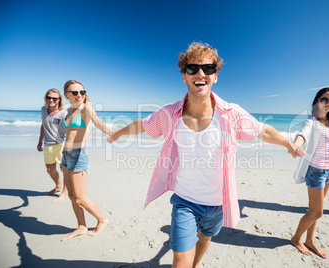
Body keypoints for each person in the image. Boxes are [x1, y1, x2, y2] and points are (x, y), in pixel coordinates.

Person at [109, 42, 298, 267]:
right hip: (184, 200)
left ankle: (197, 263)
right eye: (192, 69)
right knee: (180, 260)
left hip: (218, 202)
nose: (200, 74)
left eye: (207, 69)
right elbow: (144, 124)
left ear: (215, 76)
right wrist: (117, 134)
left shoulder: (231, 113)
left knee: (205, 238)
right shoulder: (171, 113)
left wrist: (288, 144)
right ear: (184, 76)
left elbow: (263, 130)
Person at [291, 87, 329, 259]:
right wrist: (297, 145)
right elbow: (303, 134)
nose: (328, 103)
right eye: (324, 99)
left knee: (315, 209)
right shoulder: (311, 120)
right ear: (317, 101)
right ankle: (296, 238)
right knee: (317, 212)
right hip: (316, 171)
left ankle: (310, 240)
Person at [60, 80, 112, 241]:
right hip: (66, 155)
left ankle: (102, 219)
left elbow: (97, 122)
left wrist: (112, 133)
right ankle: (82, 226)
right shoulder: (68, 110)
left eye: (82, 92)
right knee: (71, 195)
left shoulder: (86, 108)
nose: (79, 95)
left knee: (80, 197)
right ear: (67, 94)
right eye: (75, 93)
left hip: (78, 155)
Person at [37, 88, 68, 203]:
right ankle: (58, 185)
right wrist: (40, 141)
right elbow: (43, 125)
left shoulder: (63, 113)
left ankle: (65, 191)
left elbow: (69, 128)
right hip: (47, 144)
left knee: (64, 169)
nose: (51, 100)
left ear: (59, 100)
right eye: (49, 97)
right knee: (50, 170)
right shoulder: (43, 110)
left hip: (61, 144)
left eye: (54, 98)